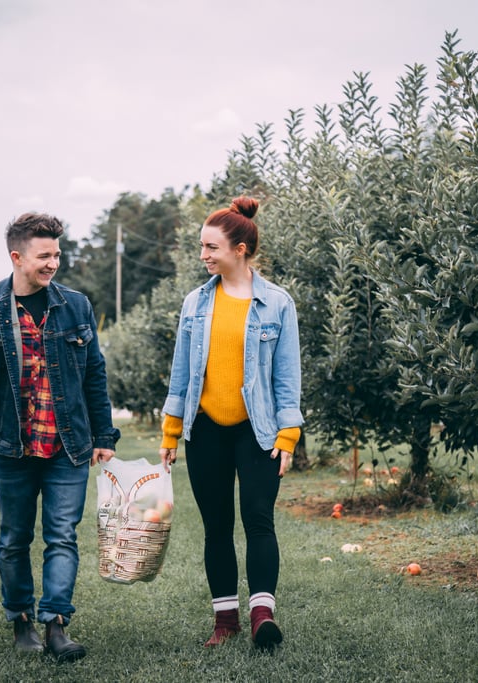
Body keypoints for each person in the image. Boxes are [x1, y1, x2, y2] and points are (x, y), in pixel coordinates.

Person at [0, 212, 120, 663]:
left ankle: (56, 623)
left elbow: (94, 375)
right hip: (13, 445)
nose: (54, 262)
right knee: (14, 539)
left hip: (68, 444)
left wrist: (105, 434)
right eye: (44, 255)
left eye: (58, 254)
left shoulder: (76, 306)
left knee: (62, 536)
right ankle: (21, 620)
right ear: (17, 257)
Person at [158, 196, 303, 650]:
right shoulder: (195, 304)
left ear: (239, 249)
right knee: (216, 526)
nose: (203, 255)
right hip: (206, 430)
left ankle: (262, 615)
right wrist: (171, 430)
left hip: (258, 430)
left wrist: (288, 434)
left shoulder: (277, 304)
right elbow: (181, 371)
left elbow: (287, 375)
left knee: (259, 520)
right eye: (202, 247)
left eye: (210, 247)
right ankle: (226, 621)